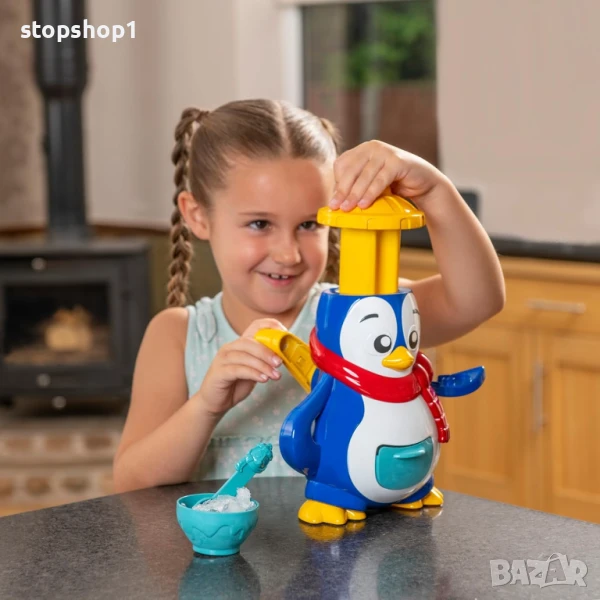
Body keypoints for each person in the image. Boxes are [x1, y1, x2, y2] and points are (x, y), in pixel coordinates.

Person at [113, 99, 505, 492]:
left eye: (309, 224)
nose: (288, 254)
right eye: (259, 224)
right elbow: (132, 481)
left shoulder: (365, 313)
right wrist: (206, 406)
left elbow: (476, 301)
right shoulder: (179, 335)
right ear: (198, 215)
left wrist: (435, 190)